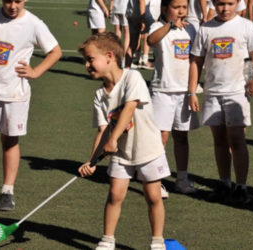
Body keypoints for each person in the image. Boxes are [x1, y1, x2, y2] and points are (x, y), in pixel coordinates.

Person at [0, 0, 62, 211]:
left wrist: (36, 72)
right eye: (8, 0)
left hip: (14, 95)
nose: (13, 5)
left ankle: (7, 191)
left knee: (9, 141)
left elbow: (55, 51)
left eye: (18, 1)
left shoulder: (33, 24)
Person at [78, 32, 170, 250]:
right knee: (115, 194)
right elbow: (103, 130)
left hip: (148, 148)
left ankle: (157, 241)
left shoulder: (132, 77)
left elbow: (130, 107)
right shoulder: (100, 95)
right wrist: (92, 161)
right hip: (122, 153)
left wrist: (114, 138)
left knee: (153, 196)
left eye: (90, 59)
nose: (87, 65)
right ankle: (108, 239)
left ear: (109, 56)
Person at [188, 0, 253, 204]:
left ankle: (241, 186)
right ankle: (224, 183)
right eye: (220, 3)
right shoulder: (206, 28)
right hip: (213, 92)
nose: (225, 8)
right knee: (219, 140)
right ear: (214, 3)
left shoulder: (246, 26)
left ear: (238, 3)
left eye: (230, 3)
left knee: (237, 139)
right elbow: (196, 61)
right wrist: (192, 91)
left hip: (237, 93)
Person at [147, 0, 200, 194]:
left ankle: (182, 178)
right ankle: (156, 179)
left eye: (184, 7)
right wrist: (169, 26)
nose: (180, 11)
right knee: (161, 137)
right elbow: (151, 40)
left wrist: (193, 89)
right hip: (162, 90)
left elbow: (196, 58)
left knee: (181, 136)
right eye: (175, 7)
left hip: (184, 92)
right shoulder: (158, 26)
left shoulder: (191, 29)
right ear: (164, 9)